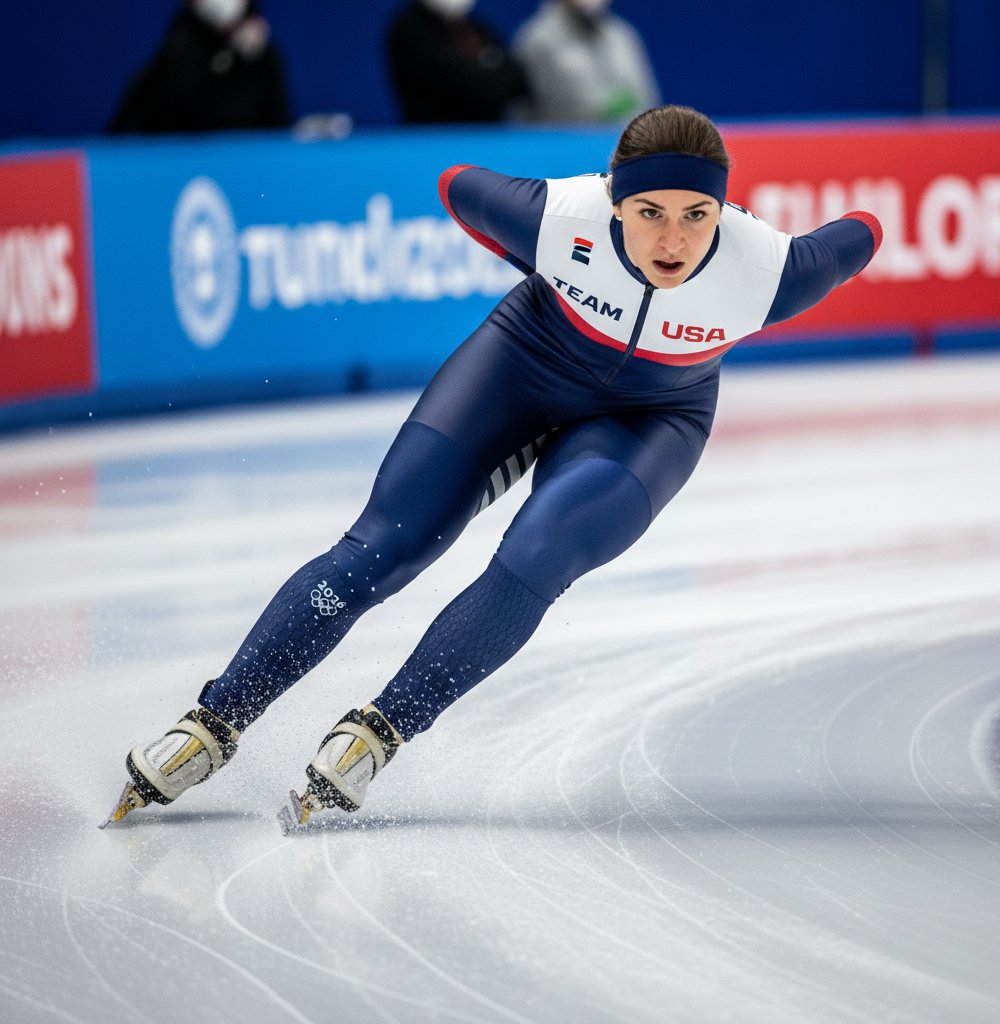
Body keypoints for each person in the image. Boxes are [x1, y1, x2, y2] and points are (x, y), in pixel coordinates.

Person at [102, 105, 882, 833]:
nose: (672, 240)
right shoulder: (560, 215)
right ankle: (211, 721)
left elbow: (864, 232)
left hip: (650, 420)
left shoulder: (770, 269)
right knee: (383, 544)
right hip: (521, 365)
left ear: (722, 210)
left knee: (542, 551)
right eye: (650, 213)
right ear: (615, 202)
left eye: (696, 215)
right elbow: (458, 187)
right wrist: (532, 254)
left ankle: (379, 732)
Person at [109, 0, 290, 134]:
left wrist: (248, 63)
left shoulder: (264, 55)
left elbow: (277, 126)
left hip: (250, 170)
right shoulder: (177, 50)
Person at [512, 0, 659, 123]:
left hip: (623, 145)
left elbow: (646, 97)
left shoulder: (622, 34)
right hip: (563, 148)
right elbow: (527, 111)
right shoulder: (536, 40)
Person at [386, 0, 529, 124]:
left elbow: (518, 78)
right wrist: (488, 68)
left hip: (486, 137)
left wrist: (477, 75)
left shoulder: (475, 26)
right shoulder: (409, 29)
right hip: (430, 138)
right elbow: (456, 86)